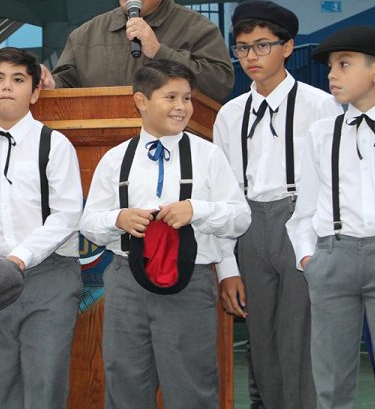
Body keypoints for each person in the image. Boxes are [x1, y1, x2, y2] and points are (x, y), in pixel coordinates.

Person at [80, 59, 250, 408]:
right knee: (124, 382)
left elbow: (240, 218)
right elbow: (88, 223)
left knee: (193, 385)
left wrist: (197, 210)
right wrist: (118, 219)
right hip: (126, 281)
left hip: (191, 283)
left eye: (186, 98)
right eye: (170, 97)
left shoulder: (209, 156)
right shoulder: (115, 159)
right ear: (141, 101)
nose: (181, 107)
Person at [286, 25, 375, 409]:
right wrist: (308, 259)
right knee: (331, 386)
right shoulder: (320, 133)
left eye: (343, 64)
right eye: (331, 65)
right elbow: (306, 208)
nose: (332, 73)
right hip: (332, 260)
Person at [213, 1, 340, 409]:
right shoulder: (230, 114)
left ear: (288, 47)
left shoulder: (320, 105)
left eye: (263, 45)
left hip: (301, 222)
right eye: (243, 47)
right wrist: (227, 268)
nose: (251, 56)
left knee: (299, 340)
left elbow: (334, 182)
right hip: (249, 225)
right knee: (262, 344)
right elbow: (223, 194)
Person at [0, 47, 83, 408]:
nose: (7, 87)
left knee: (45, 385)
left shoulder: (55, 145)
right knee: (0, 385)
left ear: (35, 92)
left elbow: (67, 215)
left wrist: (20, 257)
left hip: (49, 276)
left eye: (19, 79)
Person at [46, 0, 234, 101]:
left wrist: (160, 52)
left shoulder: (197, 29)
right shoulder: (86, 34)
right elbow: (64, 85)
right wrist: (47, 82)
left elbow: (220, 85)